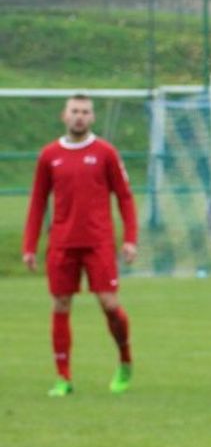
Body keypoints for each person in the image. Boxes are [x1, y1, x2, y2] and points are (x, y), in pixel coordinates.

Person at [23, 93, 138, 397]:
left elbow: (125, 197)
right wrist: (29, 246)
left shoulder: (105, 153)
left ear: (92, 117)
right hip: (62, 243)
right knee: (60, 305)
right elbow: (37, 202)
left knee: (110, 305)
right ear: (64, 115)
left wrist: (129, 239)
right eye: (74, 111)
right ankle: (63, 377)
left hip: (98, 242)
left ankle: (125, 360)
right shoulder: (49, 155)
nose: (79, 116)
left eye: (85, 112)